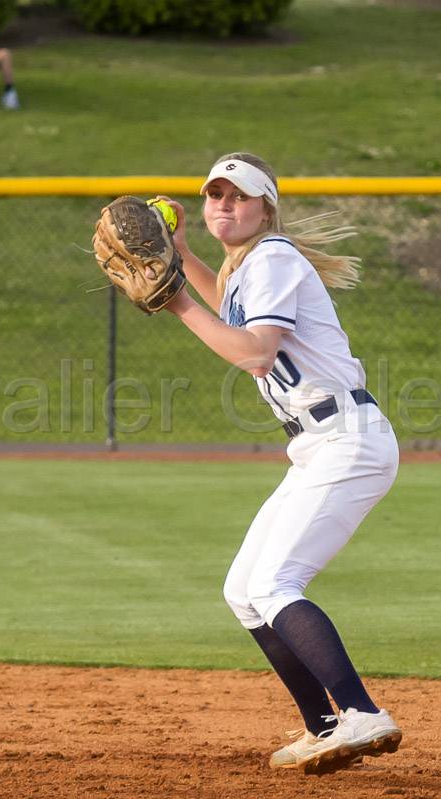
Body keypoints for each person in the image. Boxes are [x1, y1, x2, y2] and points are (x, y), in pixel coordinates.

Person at [157, 153, 403, 775]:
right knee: (243, 591)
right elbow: (230, 304)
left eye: (237, 196)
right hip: (319, 443)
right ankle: (325, 725)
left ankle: (361, 712)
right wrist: (183, 257)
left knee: (274, 584)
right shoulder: (250, 268)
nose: (223, 205)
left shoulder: (273, 258)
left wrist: (178, 304)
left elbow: (256, 354)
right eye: (214, 195)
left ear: (265, 206)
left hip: (346, 438)